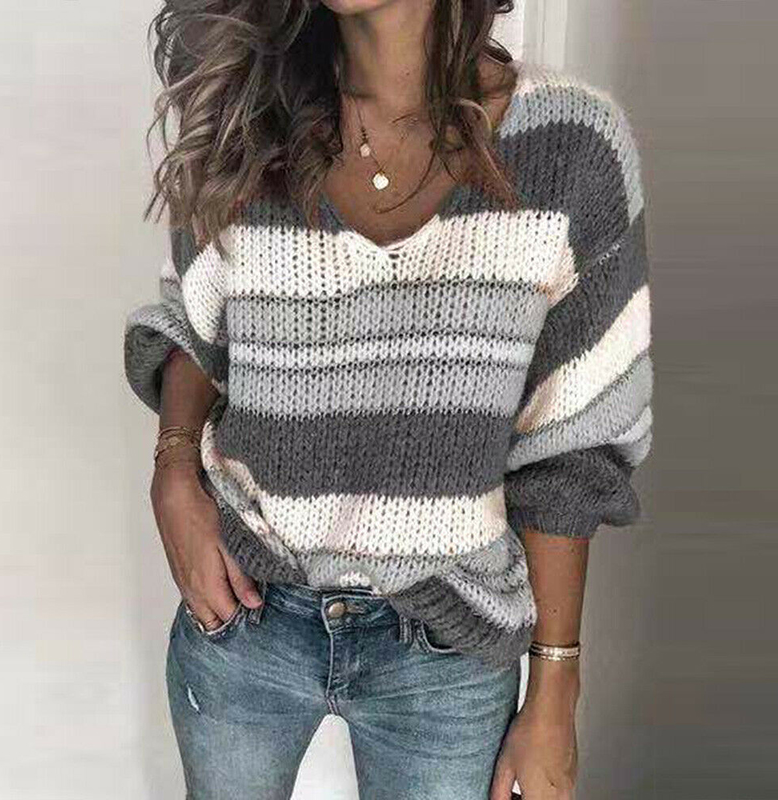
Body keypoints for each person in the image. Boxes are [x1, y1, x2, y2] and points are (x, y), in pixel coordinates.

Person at [124, 1, 653, 798]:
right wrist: (172, 472)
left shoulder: (572, 146)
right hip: (244, 613)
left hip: (449, 647)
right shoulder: (249, 116)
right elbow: (195, 319)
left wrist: (555, 688)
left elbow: (573, 449)